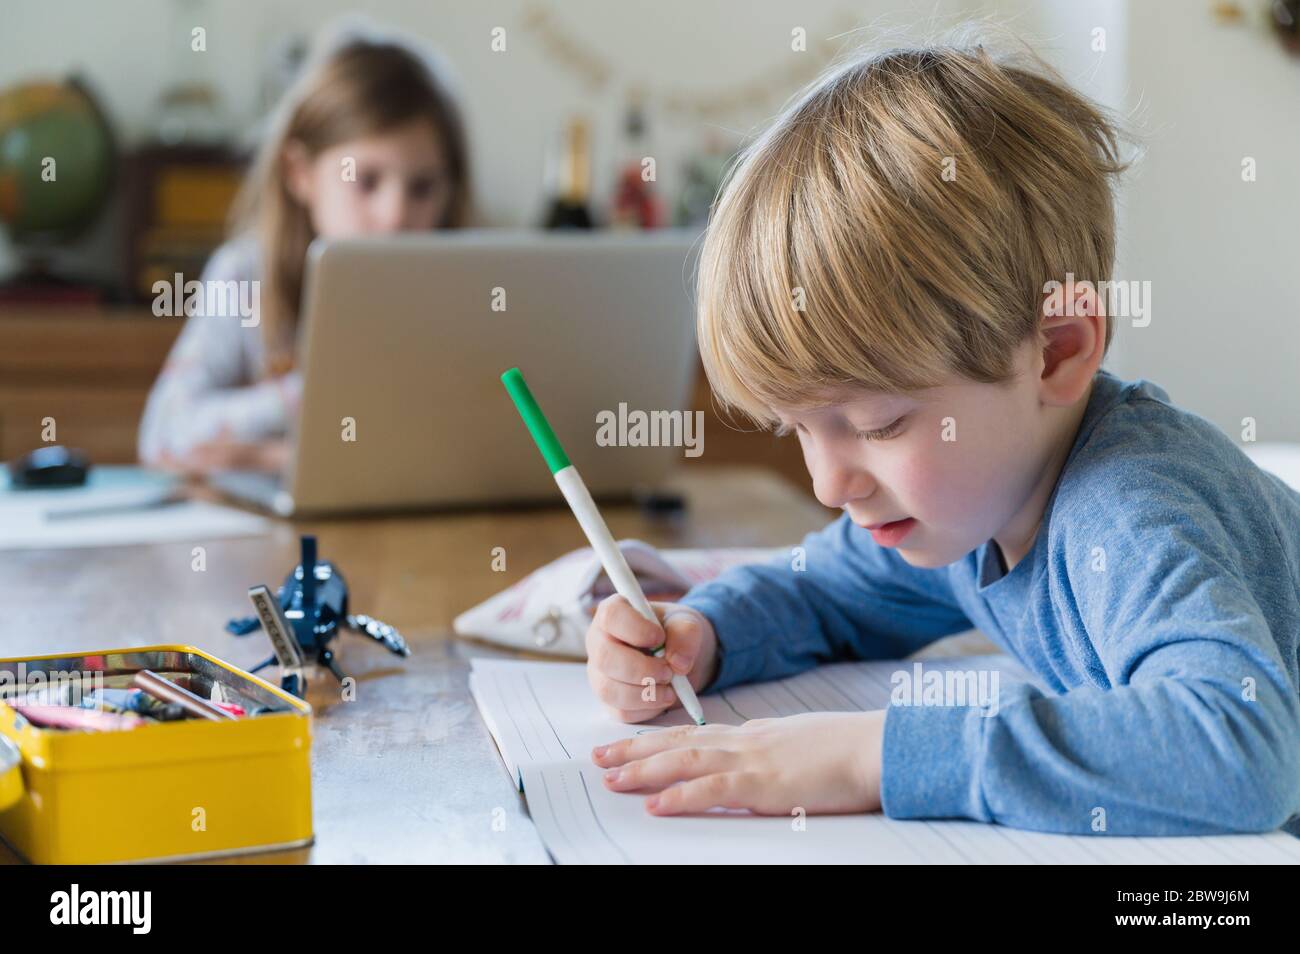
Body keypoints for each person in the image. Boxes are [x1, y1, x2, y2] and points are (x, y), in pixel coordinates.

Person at [584, 42, 1300, 836]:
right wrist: (703, 636)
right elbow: (824, 594)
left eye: (877, 425)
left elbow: (1239, 749)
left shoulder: (1128, 513)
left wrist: (873, 757)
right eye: (799, 432)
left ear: (1058, 351)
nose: (828, 485)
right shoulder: (974, 501)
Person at [139, 27, 471, 474]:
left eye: (423, 187)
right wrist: (314, 395)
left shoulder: (464, 291)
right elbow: (163, 435)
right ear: (300, 173)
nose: (395, 216)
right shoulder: (243, 277)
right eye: (366, 180)